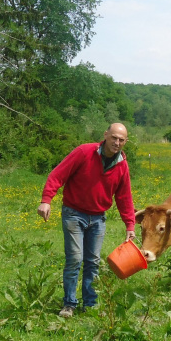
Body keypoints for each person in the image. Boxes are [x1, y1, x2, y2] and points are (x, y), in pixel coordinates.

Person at [38, 123, 136, 318]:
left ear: (125, 142)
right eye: (114, 137)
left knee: (92, 262)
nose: (117, 143)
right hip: (74, 214)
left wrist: (130, 225)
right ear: (105, 135)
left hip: (98, 218)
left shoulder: (122, 165)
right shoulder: (84, 152)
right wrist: (46, 200)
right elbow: (58, 174)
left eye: (121, 140)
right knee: (75, 258)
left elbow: (124, 197)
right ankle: (69, 304)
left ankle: (90, 304)